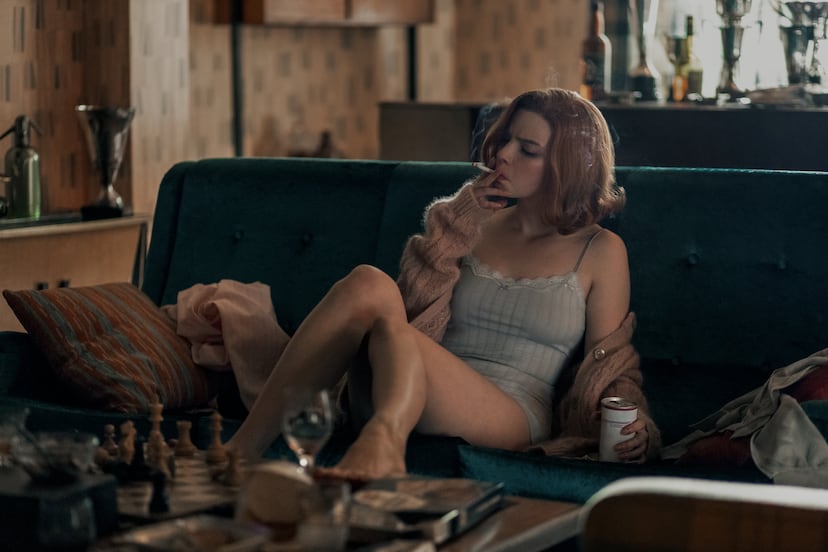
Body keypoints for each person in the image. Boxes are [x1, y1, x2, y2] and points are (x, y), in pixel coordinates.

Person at [225, 88, 660, 479]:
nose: (504, 154)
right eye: (506, 139)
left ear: (566, 166)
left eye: (527, 149)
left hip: (511, 411)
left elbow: (609, 363)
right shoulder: (472, 221)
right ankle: (240, 450)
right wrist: (458, 221)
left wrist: (635, 423)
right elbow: (411, 311)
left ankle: (384, 443)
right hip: (405, 377)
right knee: (368, 283)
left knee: (396, 333)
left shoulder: (600, 250)